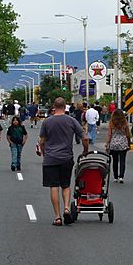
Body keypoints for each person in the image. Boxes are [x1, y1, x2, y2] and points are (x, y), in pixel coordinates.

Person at [38, 97, 88, 226]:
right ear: (65, 106)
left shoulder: (47, 122)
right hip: (66, 157)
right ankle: (66, 207)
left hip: (50, 158)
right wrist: (85, 151)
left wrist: (44, 153)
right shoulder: (71, 121)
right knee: (65, 185)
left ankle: (58, 217)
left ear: (54, 107)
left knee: (53, 186)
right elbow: (84, 137)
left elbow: (42, 141)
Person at [106, 109, 131, 183]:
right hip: (123, 143)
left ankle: (115, 177)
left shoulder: (112, 123)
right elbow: (128, 135)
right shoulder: (125, 123)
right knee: (122, 160)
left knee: (115, 161)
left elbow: (109, 135)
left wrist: (107, 143)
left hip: (114, 144)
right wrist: (129, 143)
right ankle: (121, 177)